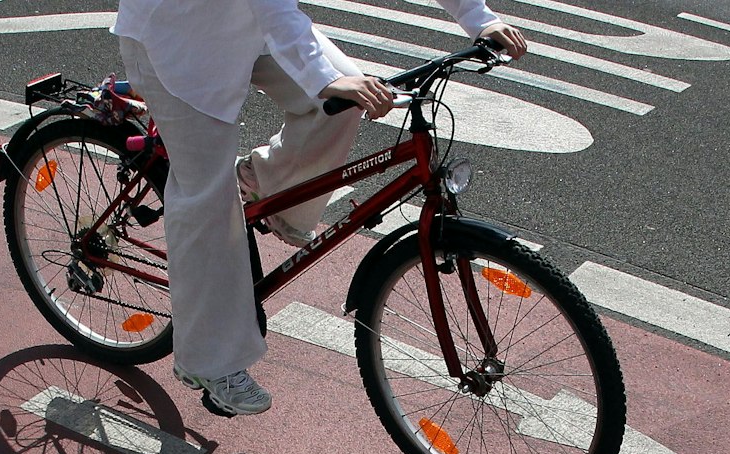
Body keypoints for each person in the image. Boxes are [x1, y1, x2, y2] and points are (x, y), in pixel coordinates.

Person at [112, 0, 527, 415]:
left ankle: (262, 188)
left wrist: (479, 19)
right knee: (208, 198)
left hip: (251, 27)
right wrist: (322, 79)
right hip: (178, 39)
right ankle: (206, 361)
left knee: (344, 98)